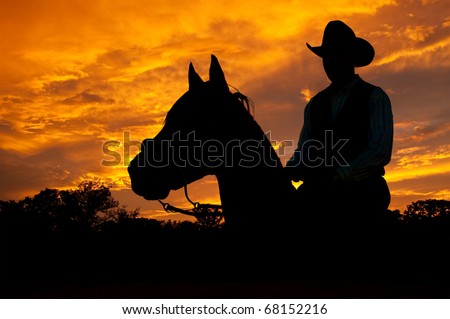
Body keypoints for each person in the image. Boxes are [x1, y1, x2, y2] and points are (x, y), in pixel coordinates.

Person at [286, 20, 393, 231]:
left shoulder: (375, 97)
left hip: (362, 194)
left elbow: (379, 151)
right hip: (319, 194)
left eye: (337, 54)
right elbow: (305, 149)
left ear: (351, 57)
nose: (330, 62)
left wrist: (340, 177)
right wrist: (288, 171)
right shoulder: (314, 104)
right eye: (327, 56)